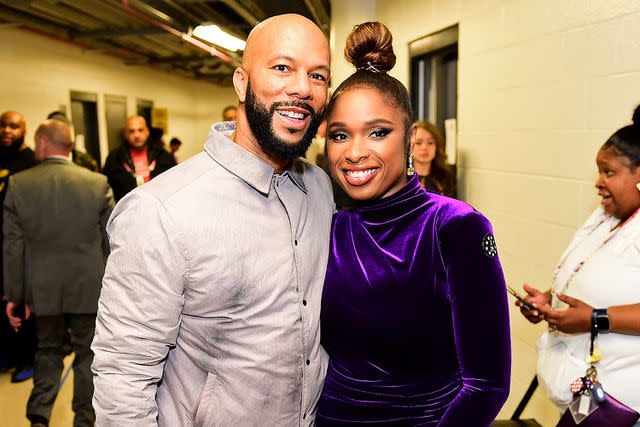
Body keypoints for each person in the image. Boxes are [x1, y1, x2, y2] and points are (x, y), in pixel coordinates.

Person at [91, 14, 333, 425]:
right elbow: (122, 379)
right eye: (282, 68)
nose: (302, 88)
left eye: (319, 76)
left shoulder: (320, 189)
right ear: (241, 83)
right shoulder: (161, 210)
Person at [316, 22, 511, 425]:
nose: (354, 152)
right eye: (340, 135)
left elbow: (487, 385)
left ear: (410, 137)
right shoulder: (330, 227)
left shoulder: (456, 227)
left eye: (377, 132)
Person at [518, 105, 640, 418]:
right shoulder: (605, 217)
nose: (599, 182)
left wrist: (595, 318)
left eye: (609, 172)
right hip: (589, 397)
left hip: (627, 406)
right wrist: (549, 301)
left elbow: (598, 309)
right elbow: (585, 273)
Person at [4, 120, 114, 427]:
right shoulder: (97, 183)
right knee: (87, 356)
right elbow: (112, 242)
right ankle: (84, 419)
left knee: (48, 349)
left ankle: (39, 415)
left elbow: (13, 246)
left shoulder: (18, 184)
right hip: (89, 289)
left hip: (42, 290)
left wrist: (15, 295)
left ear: (41, 144)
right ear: (70, 146)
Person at [0, 110, 38, 383]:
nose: (6, 130)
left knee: (23, 300)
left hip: (22, 244)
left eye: (13, 126)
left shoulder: (30, 162)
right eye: (3, 125)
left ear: (23, 130)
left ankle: (28, 358)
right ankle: (7, 354)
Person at [102, 115, 176, 201]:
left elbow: (173, 183)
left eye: (140, 130)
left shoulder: (163, 155)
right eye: (131, 131)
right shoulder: (114, 158)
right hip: (126, 209)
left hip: (158, 206)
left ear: (147, 132)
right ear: (125, 134)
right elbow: (106, 187)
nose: (136, 135)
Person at [412, 120, 455, 196]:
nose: (424, 148)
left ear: (437, 147)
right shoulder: (398, 180)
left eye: (430, 143)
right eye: (418, 143)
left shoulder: (445, 178)